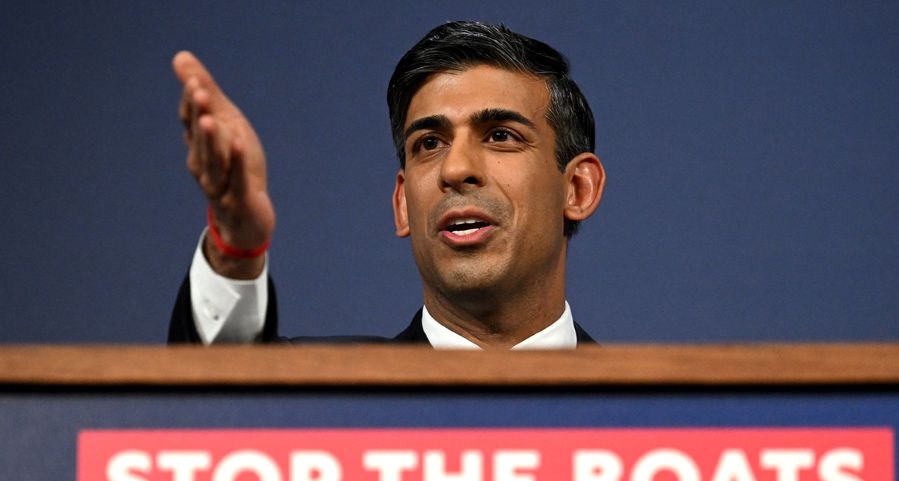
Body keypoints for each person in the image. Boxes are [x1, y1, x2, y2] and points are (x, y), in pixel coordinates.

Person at [168, 21, 606, 349]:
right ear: (401, 204)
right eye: (429, 143)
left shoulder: (662, 416)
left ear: (578, 189)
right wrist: (235, 249)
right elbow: (213, 410)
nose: (455, 170)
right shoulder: (319, 399)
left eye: (500, 136)